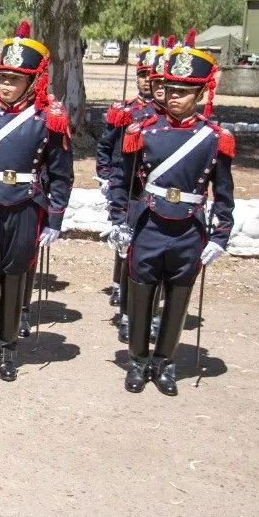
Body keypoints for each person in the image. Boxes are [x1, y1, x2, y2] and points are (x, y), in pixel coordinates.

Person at [108, 29, 235, 396]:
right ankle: (137, 360)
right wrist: (119, 220)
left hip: (189, 229)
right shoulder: (142, 132)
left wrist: (221, 235)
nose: (174, 97)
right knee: (142, 293)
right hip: (149, 224)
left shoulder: (214, 137)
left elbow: (223, 193)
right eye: (171, 89)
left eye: (183, 91)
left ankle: (165, 362)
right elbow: (124, 181)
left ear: (200, 93)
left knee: (178, 298)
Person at [0, 20, 74, 382]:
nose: (6, 85)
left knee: (16, 276)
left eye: (15, 79)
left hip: (25, 206)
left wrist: (53, 219)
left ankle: (7, 349)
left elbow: (60, 174)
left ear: (33, 81)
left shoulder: (48, 120)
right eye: (3, 77)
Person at [110, 36, 172, 343]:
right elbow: (117, 158)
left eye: (162, 81)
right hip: (138, 197)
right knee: (133, 260)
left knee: (163, 264)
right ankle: (127, 313)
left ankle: (155, 314)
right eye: (151, 79)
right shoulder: (136, 118)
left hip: (169, 205)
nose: (156, 87)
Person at [95, 35, 160, 313]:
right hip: (128, 183)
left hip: (153, 185)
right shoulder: (125, 111)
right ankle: (121, 285)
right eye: (143, 75)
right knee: (125, 236)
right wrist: (105, 175)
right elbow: (106, 146)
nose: (147, 81)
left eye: (152, 76)